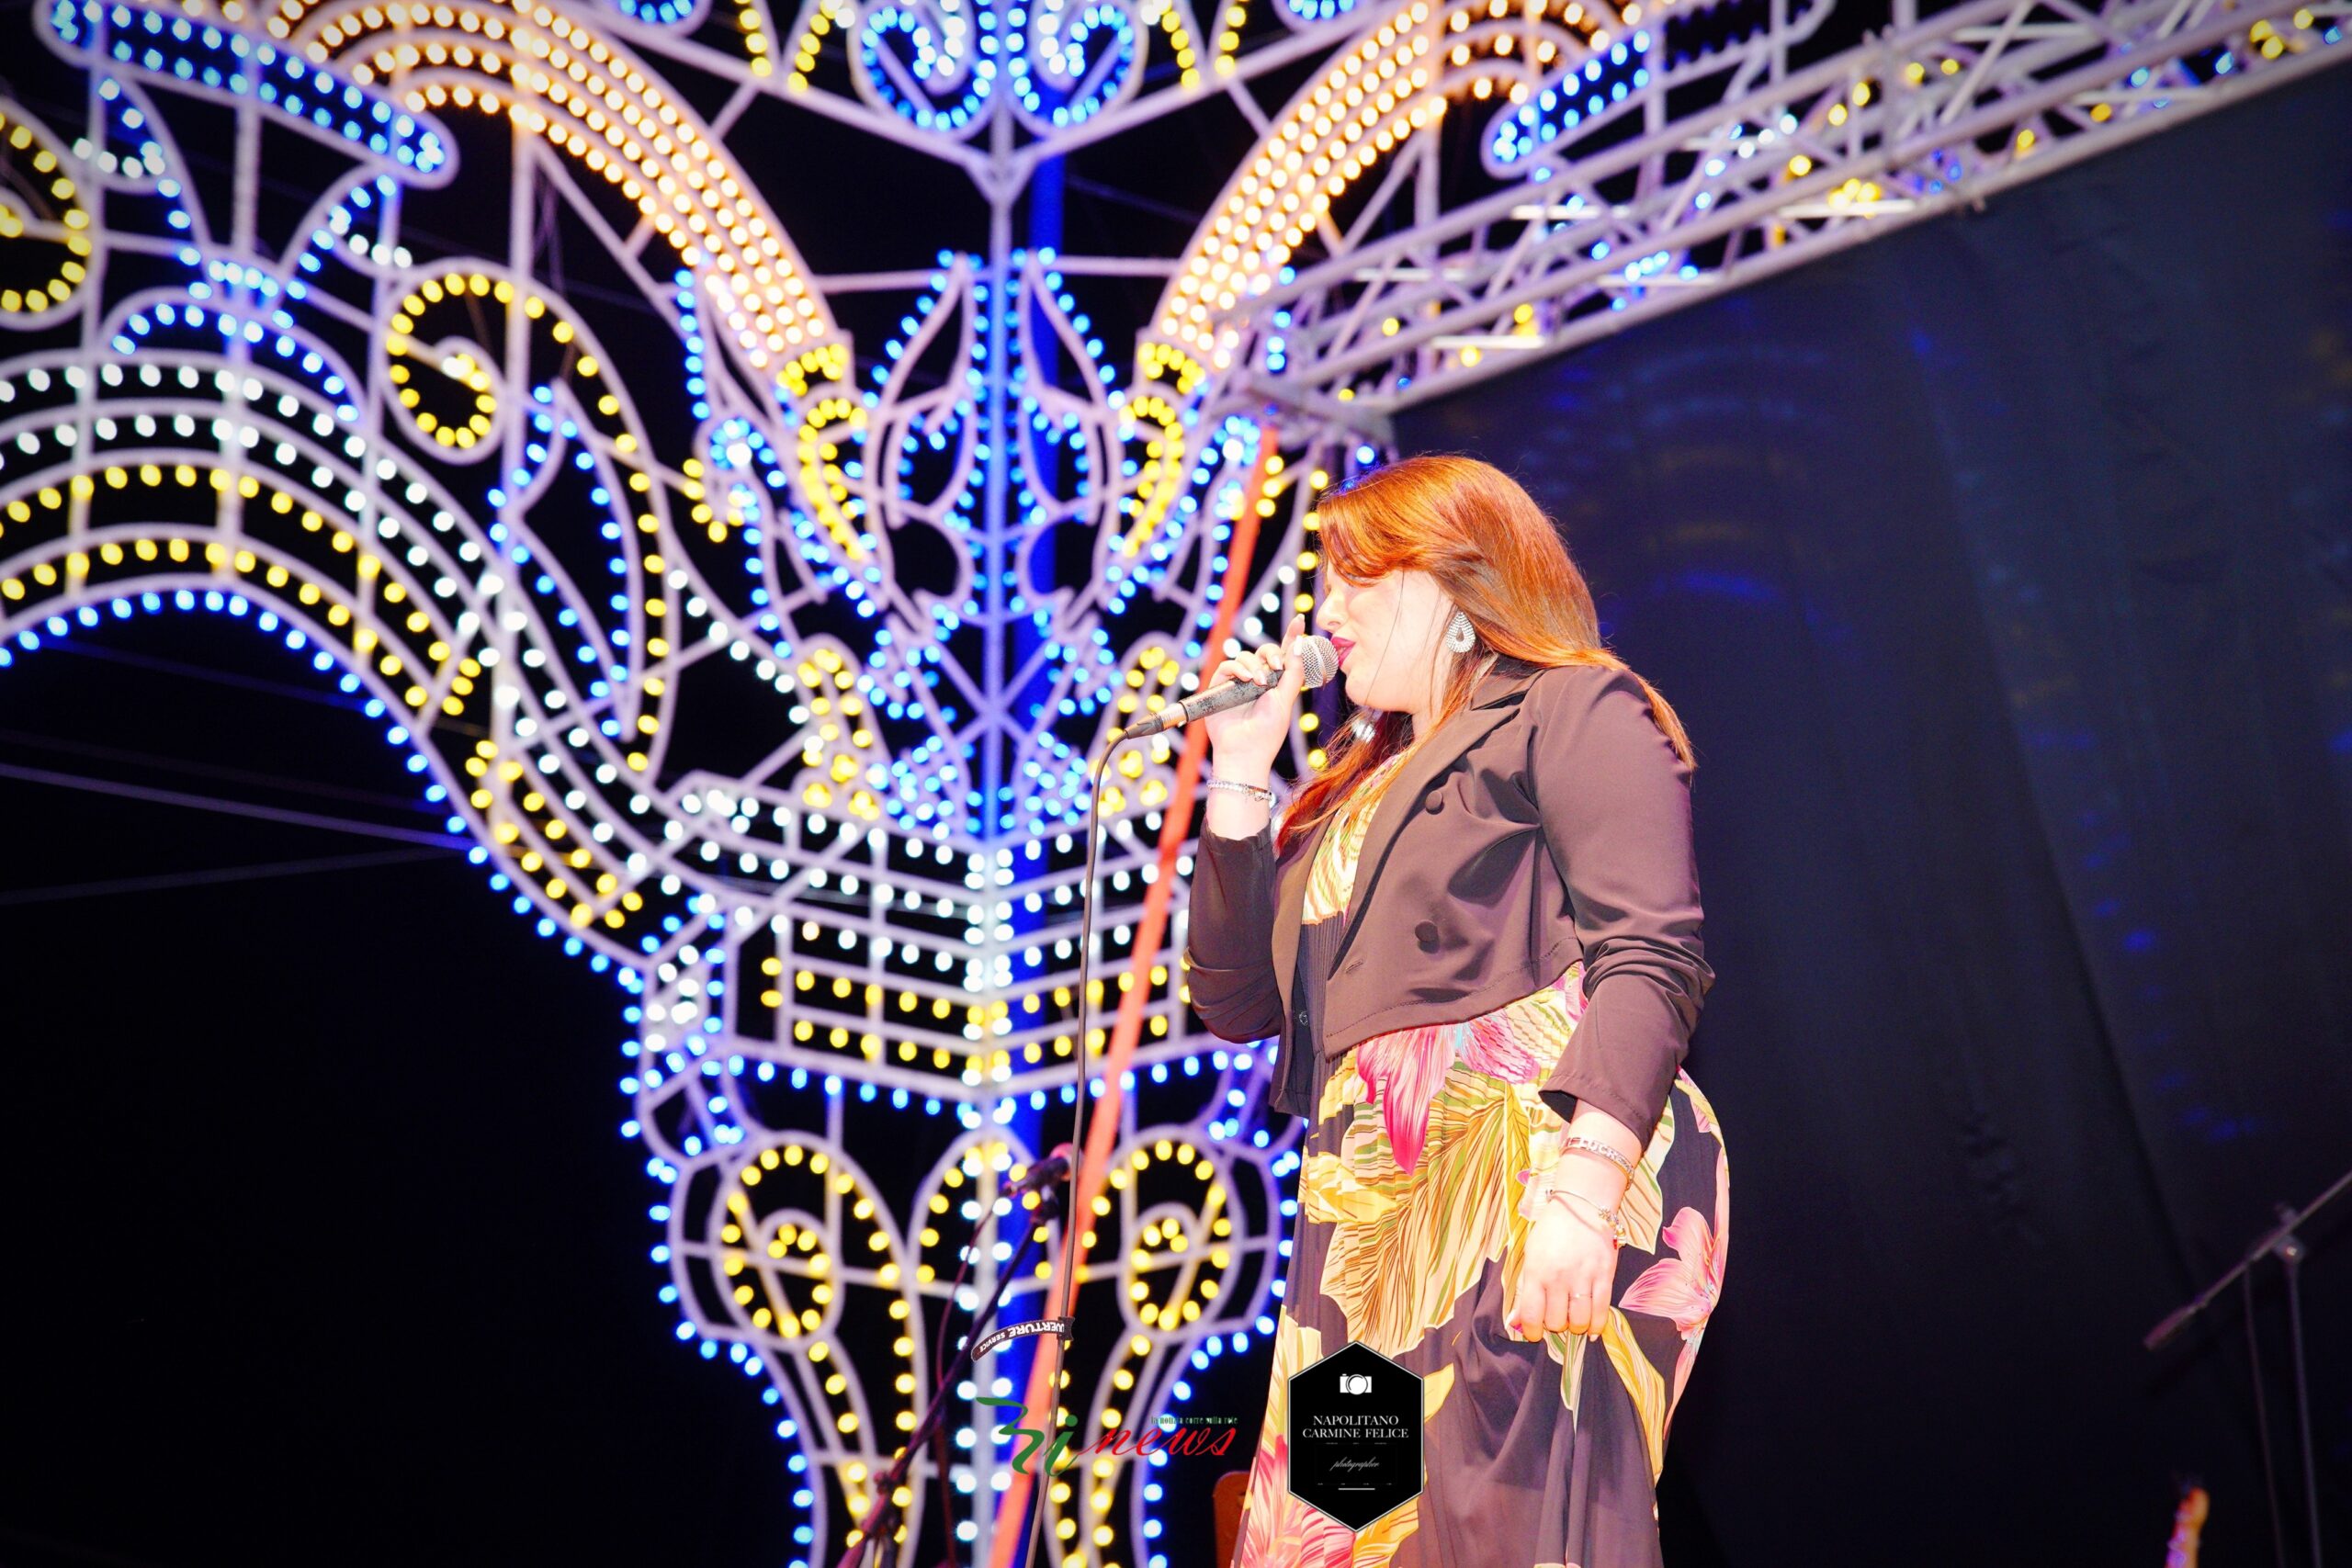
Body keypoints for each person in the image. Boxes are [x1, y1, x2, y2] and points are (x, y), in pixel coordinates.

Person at [1182, 456, 1727, 1568]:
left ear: (1452, 582)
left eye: (1355, 579)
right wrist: (1239, 774)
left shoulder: (1569, 705)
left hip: (1529, 1165)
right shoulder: (1345, 794)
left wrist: (1582, 1193)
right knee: (1343, 1533)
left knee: (1500, 1529)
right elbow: (1236, 1001)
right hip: (1367, 1218)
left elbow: (1649, 953)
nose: (1325, 614)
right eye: (1322, 584)